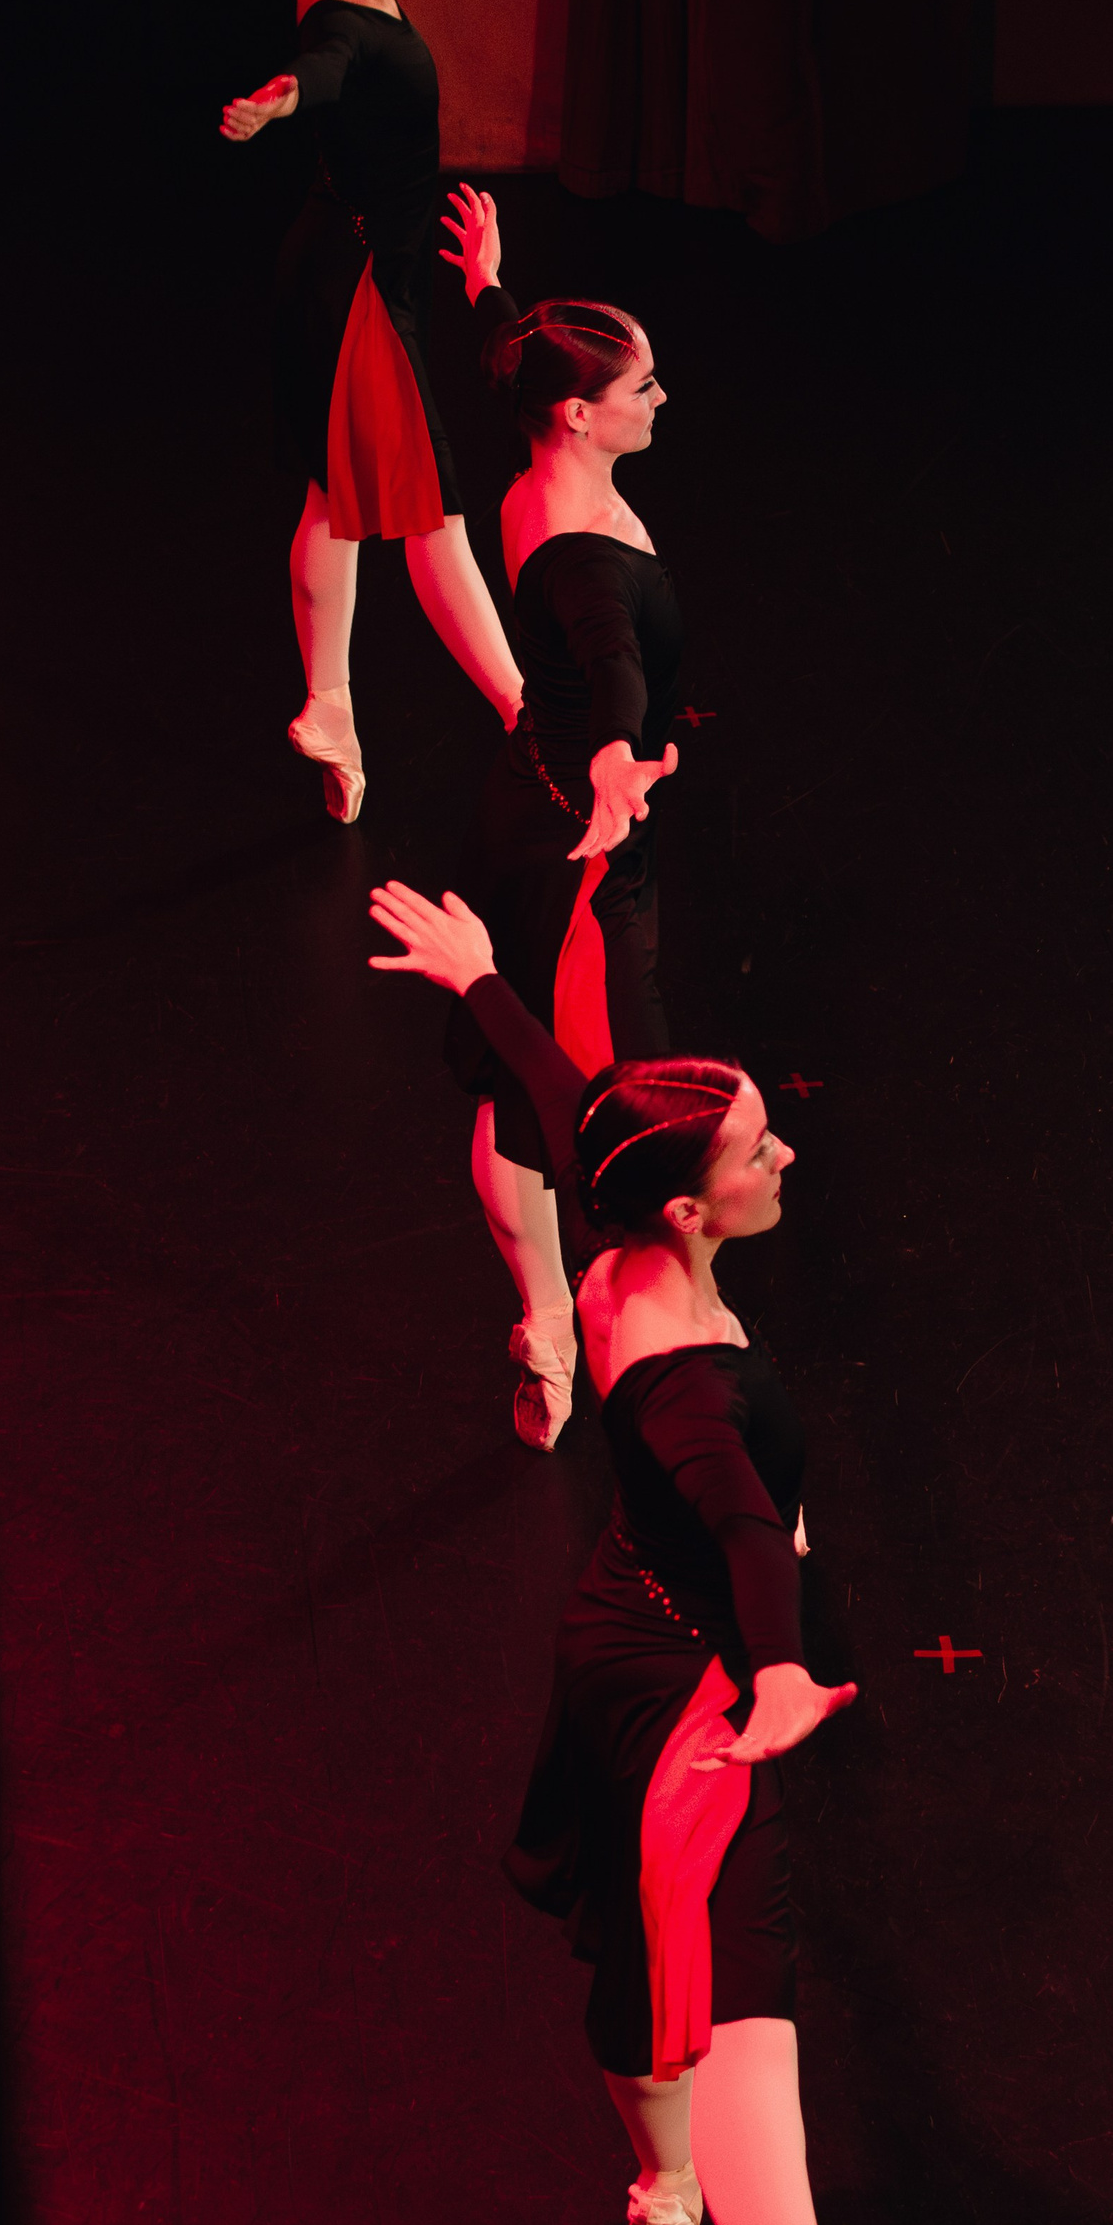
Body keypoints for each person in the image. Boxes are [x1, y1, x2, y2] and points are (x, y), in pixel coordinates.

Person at [366, 876, 882, 2225]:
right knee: (717, 1998)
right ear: (689, 1207)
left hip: (628, 1625)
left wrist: (485, 975)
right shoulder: (685, 1381)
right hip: (685, 1695)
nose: (782, 1151)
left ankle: (668, 2182)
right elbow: (739, 1520)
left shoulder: (615, 1230)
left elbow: (564, 1091)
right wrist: (782, 1667)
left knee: (657, 1980)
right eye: (755, 1149)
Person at [428, 187, 684, 1449]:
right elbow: (615, 665)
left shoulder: (542, 447)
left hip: (530, 802)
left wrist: (493, 283)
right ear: (582, 415)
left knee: (518, 1080)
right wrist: (621, 759)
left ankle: (549, 1317)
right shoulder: (583, 554)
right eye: (642, 387)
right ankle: (578, 1324)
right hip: (576, 841)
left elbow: (514, 357)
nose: (661, 400)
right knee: (582, 1105)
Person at [218, 0, 522, 821]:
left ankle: (332, 712)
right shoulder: (345, 18)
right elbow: (326, 64)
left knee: (334, 500)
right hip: (359, 293)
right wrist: (284, 98)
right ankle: (530, 721)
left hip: (331, 267)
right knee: (432, 515)